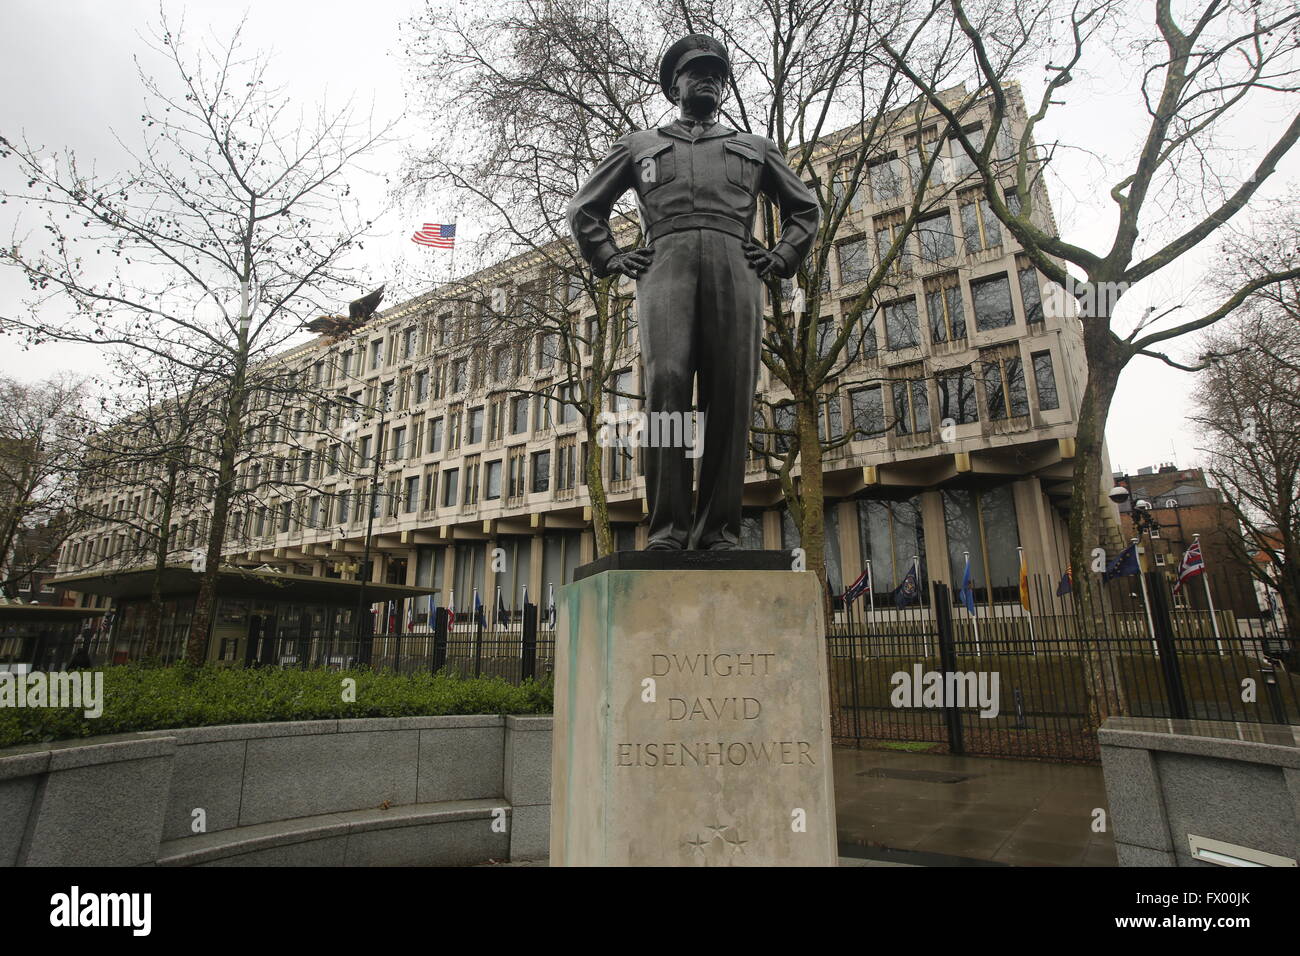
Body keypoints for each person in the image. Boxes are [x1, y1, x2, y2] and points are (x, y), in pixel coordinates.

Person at [568, 34, 819, 550]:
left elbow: (805, 209)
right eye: (697, 71)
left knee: (730, 394)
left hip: (736, 269)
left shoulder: (755, 147)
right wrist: (612, 257)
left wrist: (781, 257)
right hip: (666, 269)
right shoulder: (641, 146)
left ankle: (719, 532)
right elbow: (584, 209)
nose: (709, 79)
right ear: (674, 84)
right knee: (668, 389)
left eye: (718, 74)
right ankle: (667, 529)